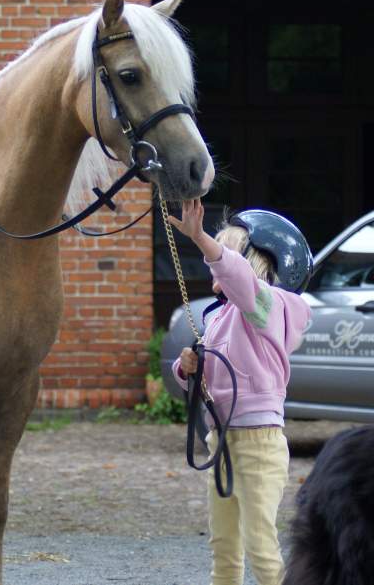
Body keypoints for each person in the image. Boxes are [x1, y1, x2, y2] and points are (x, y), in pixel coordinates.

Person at [169, 200, 312, 585]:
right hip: (222, 441)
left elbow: (240, 281)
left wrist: (198, 237)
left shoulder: (268, 308)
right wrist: (187, 367)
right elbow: (203, 380)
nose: (215, 262)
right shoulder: (217, 318)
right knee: (224, 545)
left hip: (259, 445)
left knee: (261, 547)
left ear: (256, 263)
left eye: (228, 252)